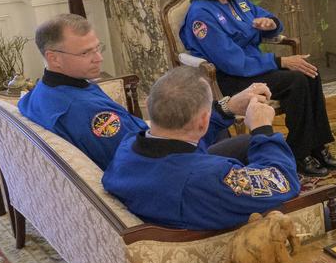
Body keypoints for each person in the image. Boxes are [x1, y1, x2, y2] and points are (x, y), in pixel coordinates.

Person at [103, 67, 336, 232]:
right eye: (209, 113)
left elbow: (183, 137)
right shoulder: (212, 177)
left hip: (170, 196)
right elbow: (281, 181)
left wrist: (227, 108)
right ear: (202, 121)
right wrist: (263, 129)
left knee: (244, 144)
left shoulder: (129, 145)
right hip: (219, 234)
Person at [18, 13, 267, 170]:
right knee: (252, 141)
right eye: (86, 53)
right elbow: (145, 159)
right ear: (54, 57)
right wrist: (224, 112)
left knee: (217, 121)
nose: (99, 58)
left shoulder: (40, 94)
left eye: (97, 48)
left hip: (152, 147)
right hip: (166, 170)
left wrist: (225, 108)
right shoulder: (85, 112)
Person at [180, 0, 336, 178]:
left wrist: (270, 23)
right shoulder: (201, 14)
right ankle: (299, 153)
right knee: (296, 81)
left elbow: (268, 18)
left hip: (255, 69)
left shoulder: (238, 1)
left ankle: (317, 146)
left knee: (310, 73)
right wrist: (280, 61)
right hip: (230, 79)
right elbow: (231, 61)